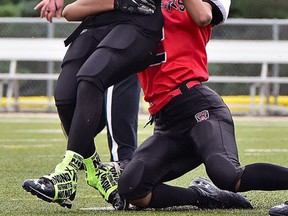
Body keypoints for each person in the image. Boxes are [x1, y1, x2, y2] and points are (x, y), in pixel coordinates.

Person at [117, 0, 288, 210]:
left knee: (228, 175)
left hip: (199, 108)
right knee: (132, 188)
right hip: (167, 123)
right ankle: (203, 196)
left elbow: (203, 16)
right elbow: (73, 11)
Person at [22, 0, 163, 210]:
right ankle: (97, 172)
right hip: (99, 20)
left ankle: (66, 174)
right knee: (65, 98)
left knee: (91, 78)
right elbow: (72, 12)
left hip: (137, 22)